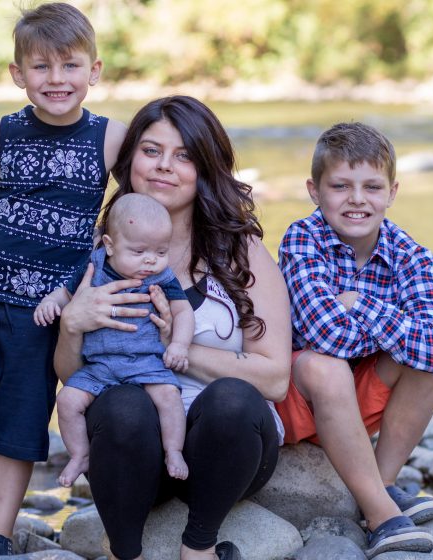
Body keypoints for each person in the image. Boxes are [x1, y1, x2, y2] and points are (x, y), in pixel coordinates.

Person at [0, 3, 125, 558]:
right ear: (18, 74)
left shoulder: (110, 139)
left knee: (21, 420)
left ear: (95, 71)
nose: (56, 80)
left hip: (44, 313)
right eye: (41, 67)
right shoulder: (3, 133)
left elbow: (138, 207)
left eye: (70, 66)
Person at [54, 95, 291, 560]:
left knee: (233, 397)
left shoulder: (241, 253)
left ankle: (198, 544)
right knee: (121, 404)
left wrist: (179, 349)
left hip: (221, 450)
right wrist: (71, 325)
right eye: (151, 150)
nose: (165, 166)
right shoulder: (98, 255)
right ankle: (128, 550)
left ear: (205, 169)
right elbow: (70, 375)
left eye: (184, 156)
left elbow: (276, 378)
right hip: (132, 452)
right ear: (130, 161)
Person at [275, 122, 433, 558]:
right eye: (340, 186)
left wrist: (360, 304)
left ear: (392, 192)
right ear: (315, 191)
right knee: (324, 363)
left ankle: (384, 484)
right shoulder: (303, 239)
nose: (357, 199)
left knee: (428, 364)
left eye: (372, 186)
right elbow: (324, 335)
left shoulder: (410, 254)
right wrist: (391, 326)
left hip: (358, 403)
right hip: (299, 400)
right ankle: (380, 515)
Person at [34, 193, 195, 487]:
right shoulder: (92, 268)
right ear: (109, 245)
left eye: (161, 252)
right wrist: (50, 302)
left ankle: (174, 451)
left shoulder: (162, 277)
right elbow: (66, 293)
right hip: (99, 366)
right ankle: (80, 455)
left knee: (170, 397)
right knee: (67, 401)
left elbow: (183, 311)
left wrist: (179, 345)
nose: (151, 260)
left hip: (146, 362)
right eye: (139, 252)